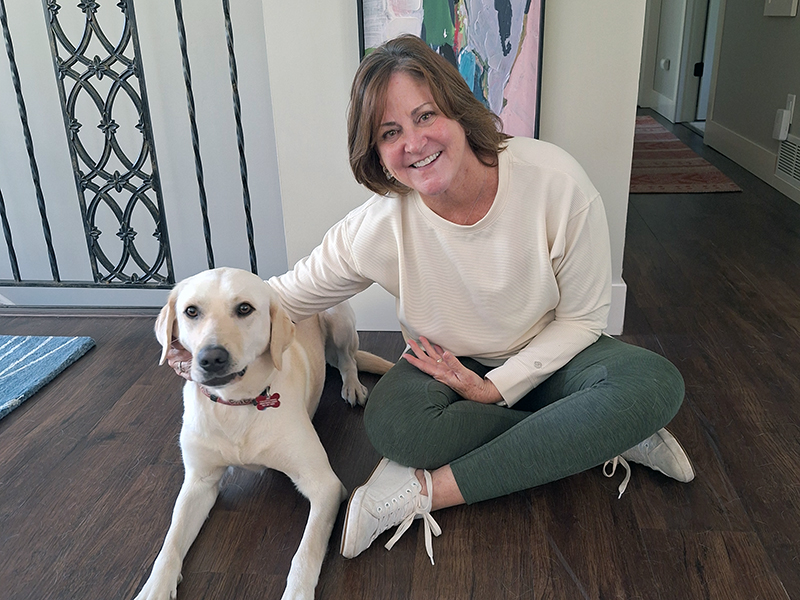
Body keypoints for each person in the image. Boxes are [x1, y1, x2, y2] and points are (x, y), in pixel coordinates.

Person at [168, 34, 694, 566]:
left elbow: (583, 320)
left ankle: (422, 493)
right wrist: (203, 335)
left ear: (461, 113)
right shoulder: (375, 227)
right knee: (394, 426)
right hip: (443, 364)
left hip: (555, 353)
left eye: (425, 117)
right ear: (376, 153)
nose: (413, 143)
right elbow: (278, 299)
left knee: (652, 383)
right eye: (390, 133)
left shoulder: (556, 184)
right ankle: (599, 432)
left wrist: (495, 389)